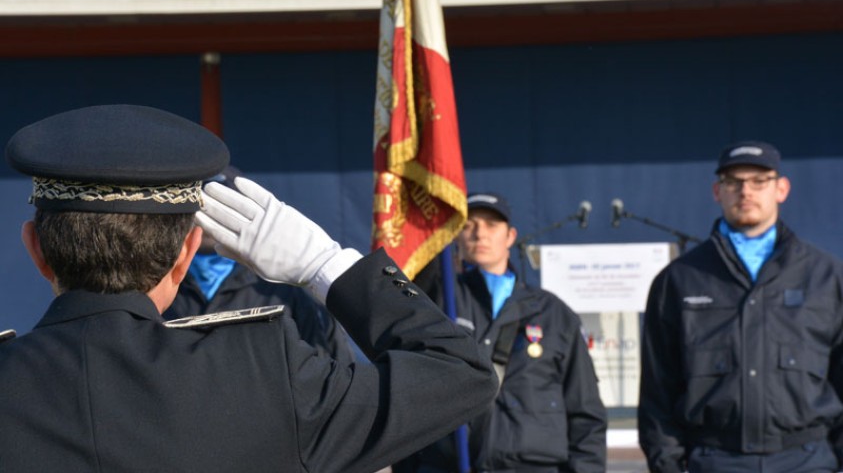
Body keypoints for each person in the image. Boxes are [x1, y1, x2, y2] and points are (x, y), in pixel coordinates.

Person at [0, 104, 498, 473]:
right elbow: (461, 373)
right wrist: (324, 264)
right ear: (187, 253)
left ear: (34, 249)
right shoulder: (263, 374)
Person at [638, 140, 843, 473]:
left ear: (782, 189)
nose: (746, 191)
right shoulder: (680, 281)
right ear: (717, 192)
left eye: (759, 181)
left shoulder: (826, 277)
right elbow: (657, 394)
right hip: (715, 460)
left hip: (807, 460)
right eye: (734, 182)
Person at [397, 193, 607, 473]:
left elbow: (584, 409)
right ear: (456, 236)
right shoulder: (437, 303)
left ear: (510, 236)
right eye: (469, 225)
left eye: (491, 225)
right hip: (451, 465)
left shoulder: (553, 313)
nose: (480, 234)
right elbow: (409, 395)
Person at [164, 165, 354, 363]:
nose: (210, 215)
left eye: (226, 206)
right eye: (201, 203)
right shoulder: (156, 283)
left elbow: (332, 368)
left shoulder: (285, 292)